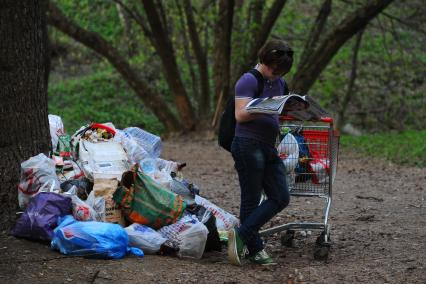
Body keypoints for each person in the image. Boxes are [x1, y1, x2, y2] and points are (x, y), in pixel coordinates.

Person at [228, 39, 293, 266]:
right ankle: (255, 249)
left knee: (280, 196)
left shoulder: (281, 83)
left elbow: (281, 113)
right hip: (247, 144)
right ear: (264, 60)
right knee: (251, 199)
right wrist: (267, 108)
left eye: (281, 72)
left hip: (268, 146)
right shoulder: (249, 80)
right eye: (273, 70)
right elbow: (240, 115)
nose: (275, 75)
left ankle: (242, 234)